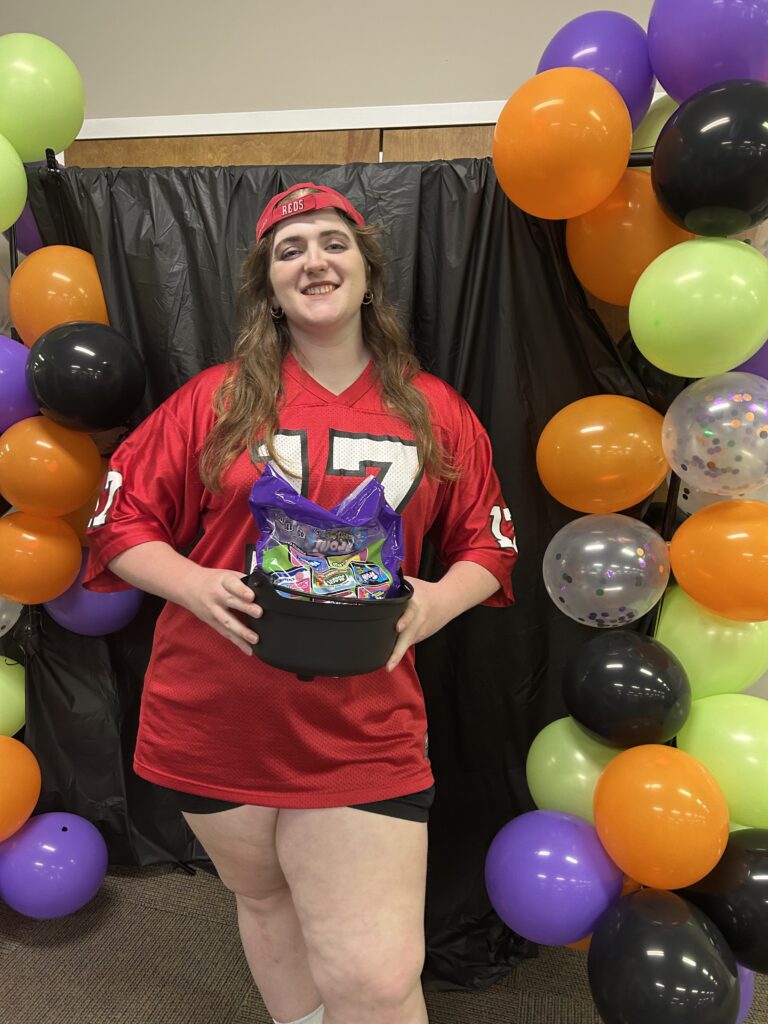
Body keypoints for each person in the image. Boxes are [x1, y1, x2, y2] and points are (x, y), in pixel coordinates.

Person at [84, 182, 517, 1024]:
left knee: (375, 979)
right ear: (270, 287)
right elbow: (116, 520)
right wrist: (190, 582)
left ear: (368, 271)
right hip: (214, 710)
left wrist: (438, 603)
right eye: (290, 250)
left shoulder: (434, 410)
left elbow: (490, 546)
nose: (313, 260)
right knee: (264, 898)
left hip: (362, 722)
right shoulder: (214, 400)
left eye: (332, 242)